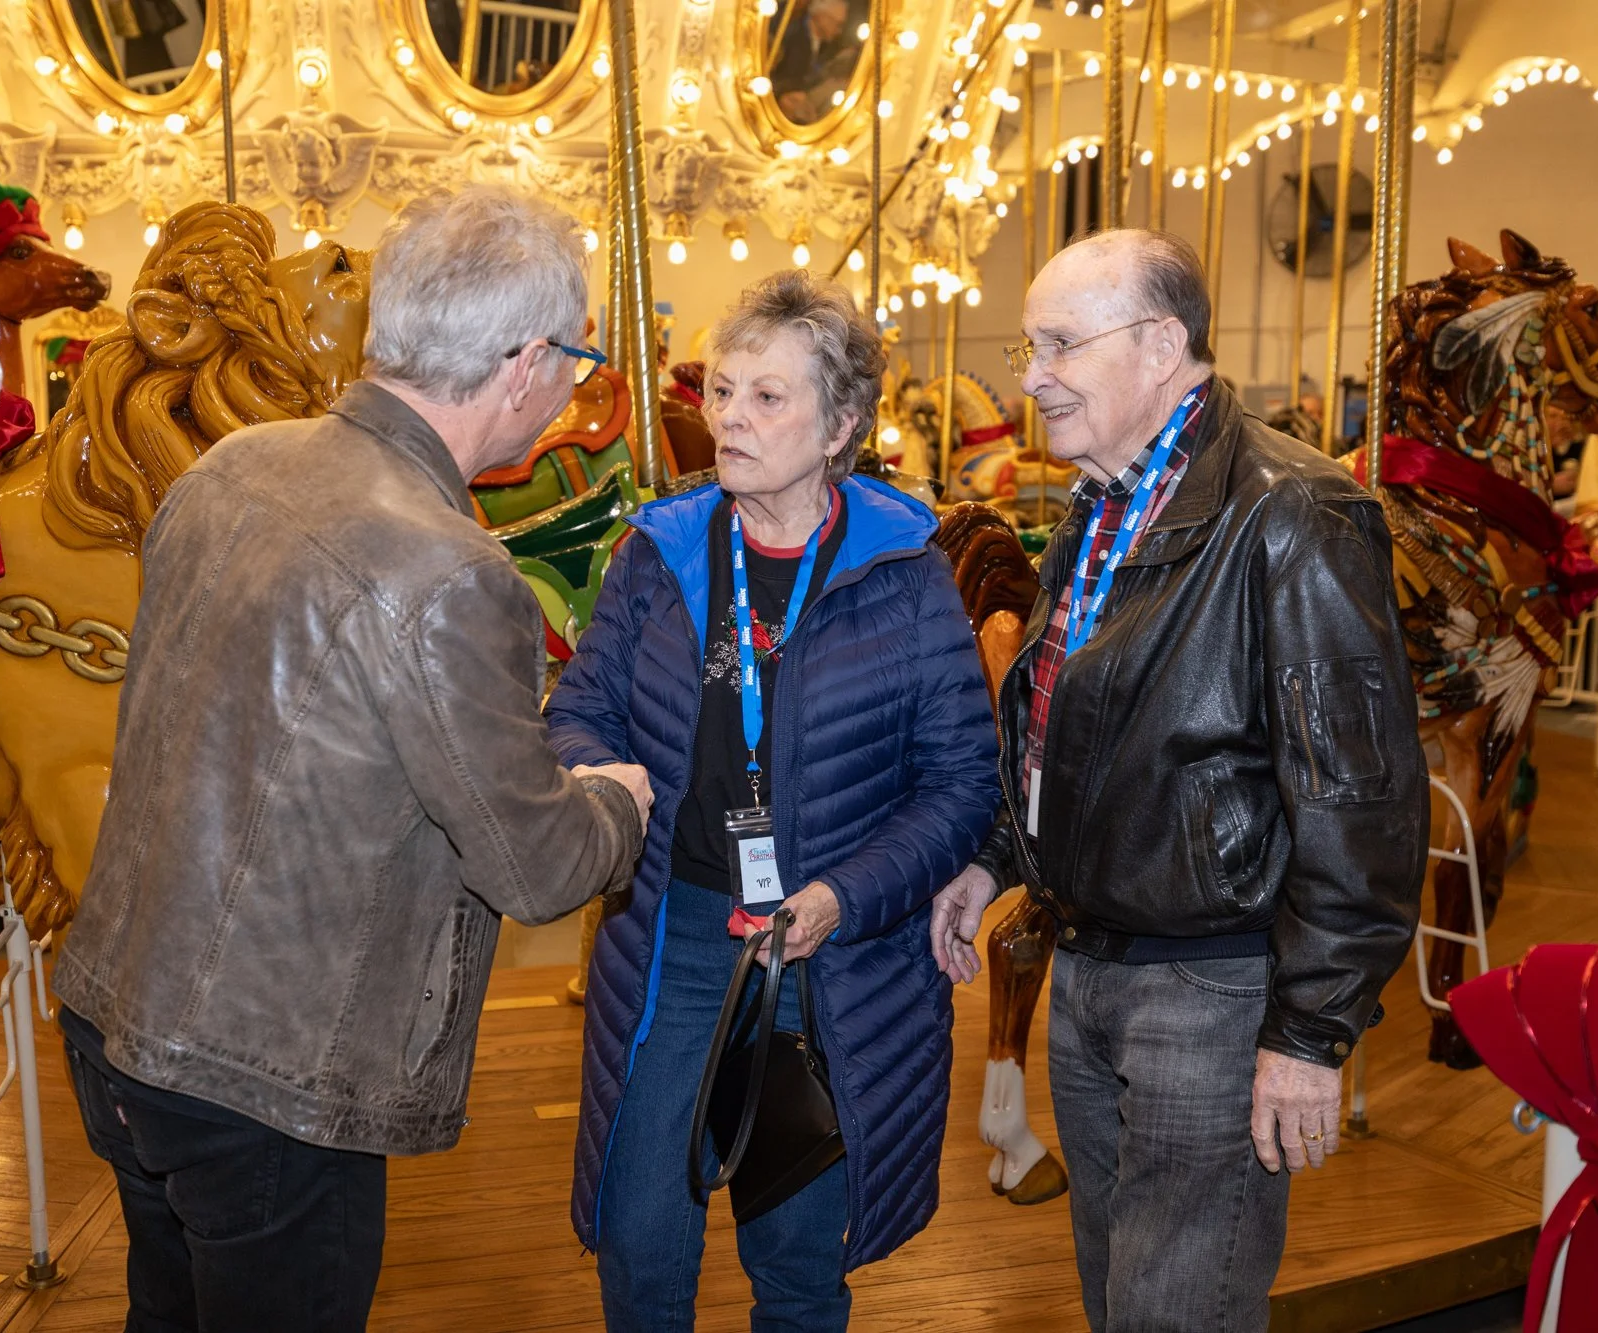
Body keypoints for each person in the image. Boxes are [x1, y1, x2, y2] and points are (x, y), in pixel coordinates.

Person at [51, 186, 654, 1333]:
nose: (575, 383)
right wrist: (613, 804)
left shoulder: (230, 470)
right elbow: (531, 868)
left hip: (118, 1017)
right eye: (573, 357)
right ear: (526, 362)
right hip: (265, 1084)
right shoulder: (451, 571)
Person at [928, 229, 1426, 1331]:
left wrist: (1308, 1033)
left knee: (1176, 1309)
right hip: (1094, 963)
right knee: (1121, 1298)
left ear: (1161, 345)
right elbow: (1076, 731)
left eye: (1060, 342)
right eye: (1029, 344)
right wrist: (994, 855)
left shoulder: (1292, 514)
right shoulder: (1098, 506)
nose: (1031, 373)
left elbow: (1362, 807)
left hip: (1212, 984)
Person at [548, 269, 1000, 1331]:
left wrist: (847, 891)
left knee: (798, 1260)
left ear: (839, 423)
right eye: (721, 391)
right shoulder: (657, 553)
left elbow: (960, 781)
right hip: (676, 929)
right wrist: (600, 783)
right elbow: (577, 711)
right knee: (639, 1240)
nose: (729, 420)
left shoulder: (904, 570)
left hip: (828, 948)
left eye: (766, 398)